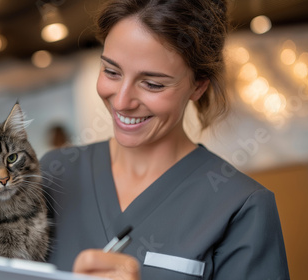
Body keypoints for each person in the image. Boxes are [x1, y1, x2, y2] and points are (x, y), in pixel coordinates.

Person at [40, 0, 290, 279]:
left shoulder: (241, 206)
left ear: (198, 86)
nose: (122, 102)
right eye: (111, 72)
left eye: (153, 84)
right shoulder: (53, 174)